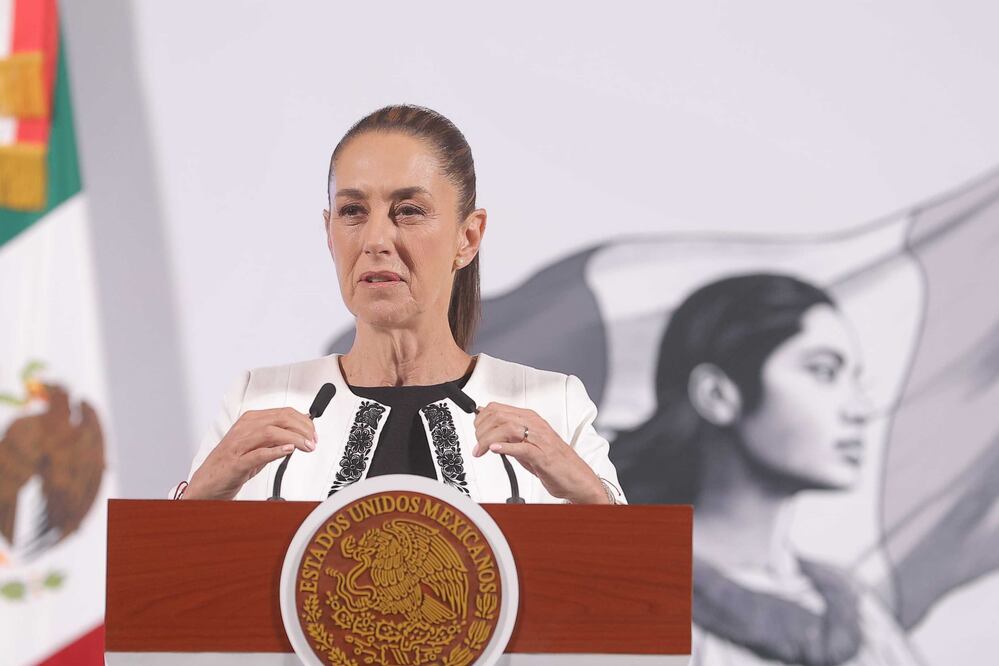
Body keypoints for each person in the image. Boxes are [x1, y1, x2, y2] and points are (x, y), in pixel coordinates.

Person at [179, 105, 623, 505]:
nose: (375, 240)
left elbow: (635, 583)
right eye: (353, 211)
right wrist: (198, 496)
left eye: (408, 210)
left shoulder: (554, 405)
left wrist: (591, 498)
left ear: (467, 238)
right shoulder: (256, 399)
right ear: (329, 232)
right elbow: (158, 582)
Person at [613, 274, 919, 665]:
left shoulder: (859, 614)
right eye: (824, 372)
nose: (859, 409)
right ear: (717, 395)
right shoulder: (626, 599)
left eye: (854, 379)